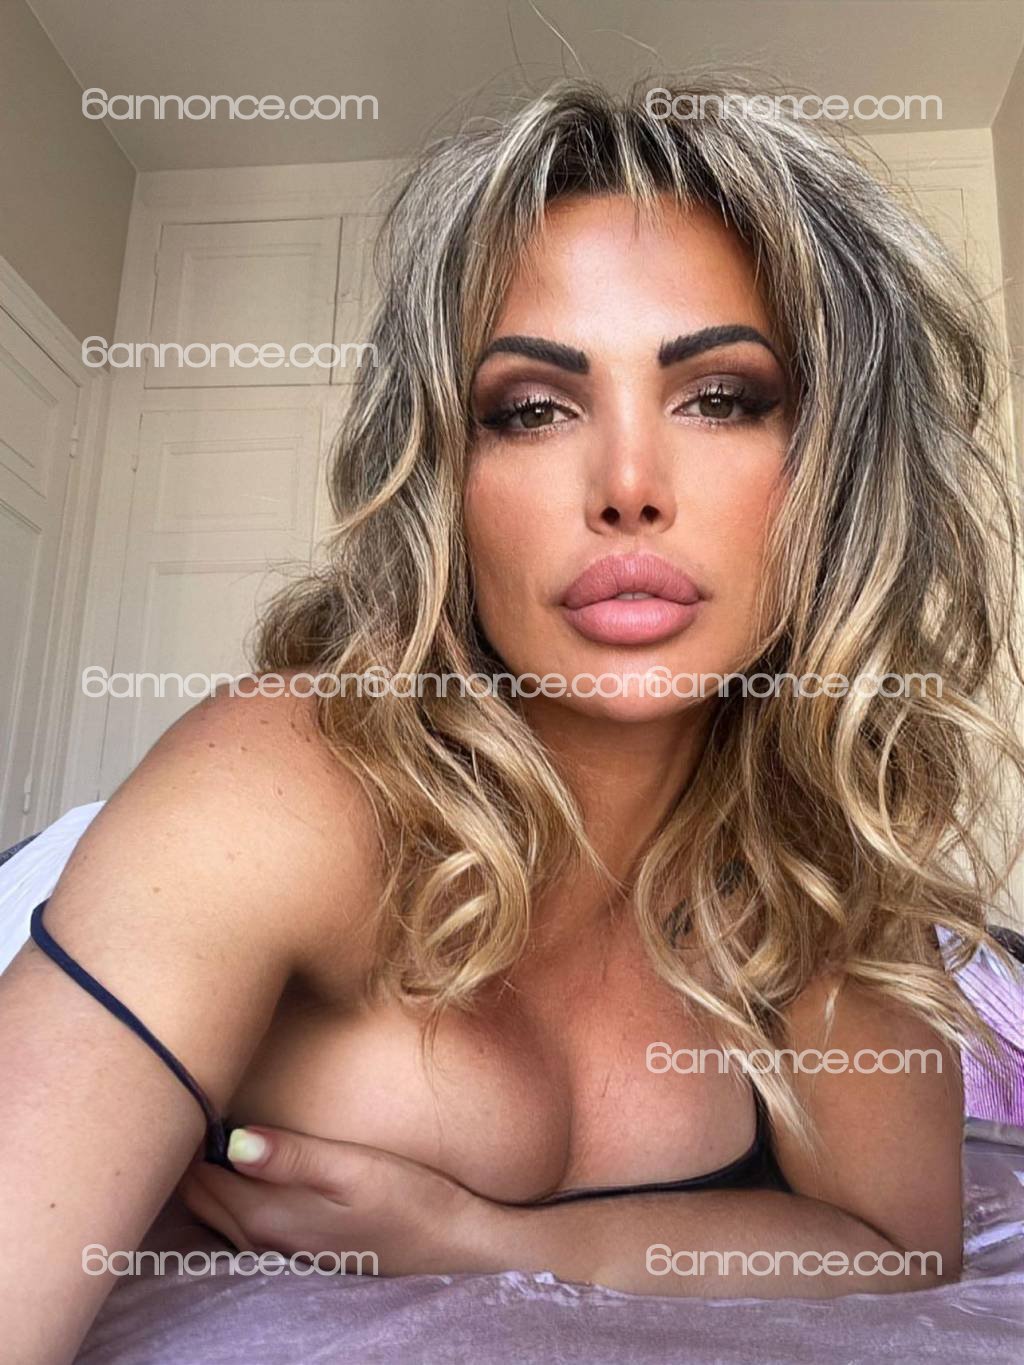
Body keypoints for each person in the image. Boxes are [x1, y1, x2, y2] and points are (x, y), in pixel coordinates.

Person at [2, 75, 1021, 1361]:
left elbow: (895, 1242)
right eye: (531, 410)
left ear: (837, 471)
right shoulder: (282, 780)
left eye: (721, 397)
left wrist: (481, 1238)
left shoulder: (819, 862)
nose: (627, 487)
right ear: (445, 478)